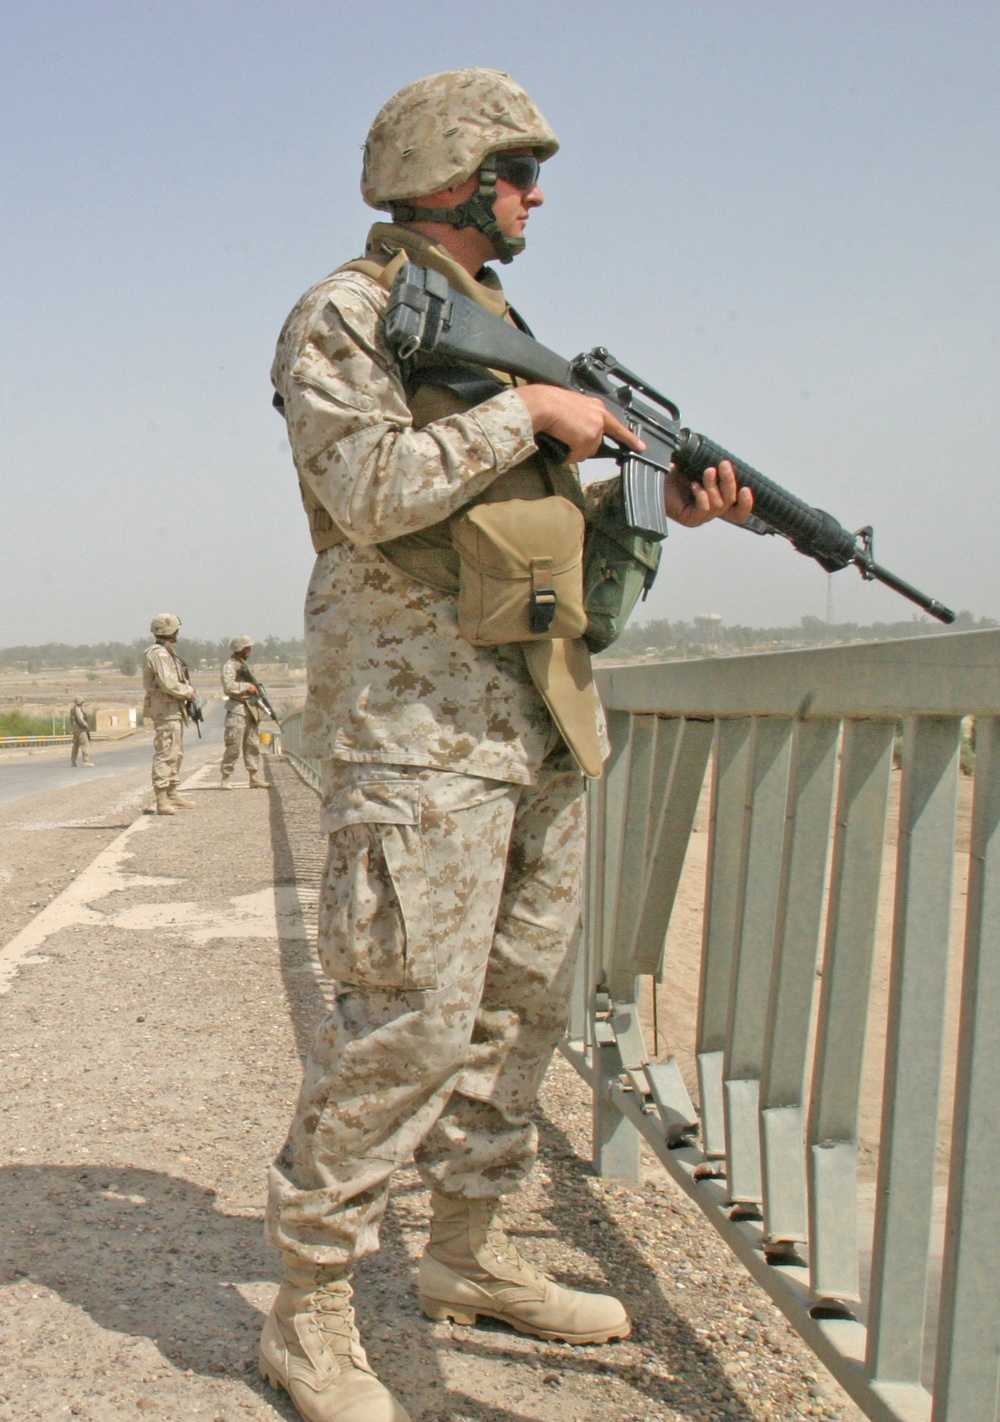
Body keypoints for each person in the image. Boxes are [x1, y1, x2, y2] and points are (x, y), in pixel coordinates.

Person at [264, 68, 752, 1422]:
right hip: (418, 735)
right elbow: (364, 490)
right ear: (453, 174)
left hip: (534, 720)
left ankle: (469, 1254)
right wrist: (527, 416)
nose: (537, 195)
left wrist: (653, 500)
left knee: (521, 1012)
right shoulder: (350, 313)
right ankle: (307, 1312)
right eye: (519, 171)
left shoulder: (498, 328)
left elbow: (536, 552)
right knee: (407, 1029)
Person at [142, 613, 199, 816]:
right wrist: (189, 692)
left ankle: (172, 793)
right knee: (166, 752)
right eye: (175, 630)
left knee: (176, 751)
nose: (177, 633)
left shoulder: (167, 653)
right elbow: (168, 683)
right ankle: (161, 799)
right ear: (168, 631)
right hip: (165, 710)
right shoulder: (159, 654)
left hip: (173, 709)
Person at [220, 635, 268, 789]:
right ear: (239, 649)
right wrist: (246, 687)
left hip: (251, 710)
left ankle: (254, 777)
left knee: (252, 744)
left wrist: (259, 701)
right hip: (237, 709)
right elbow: (228, 686)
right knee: (233, 745)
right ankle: (226, 778)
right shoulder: (230, 666)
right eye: (247, 648)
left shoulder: (244, 665)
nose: (250, 651)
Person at [69, 698, 94, 767]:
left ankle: (73, 762)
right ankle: (86, 761)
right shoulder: (78, 710)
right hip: (81, 730)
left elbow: (71, 720)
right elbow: (80, 719)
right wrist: (86, 725)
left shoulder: (73, 710)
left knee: (75, 746)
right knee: (85, 745)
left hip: (75, 730)